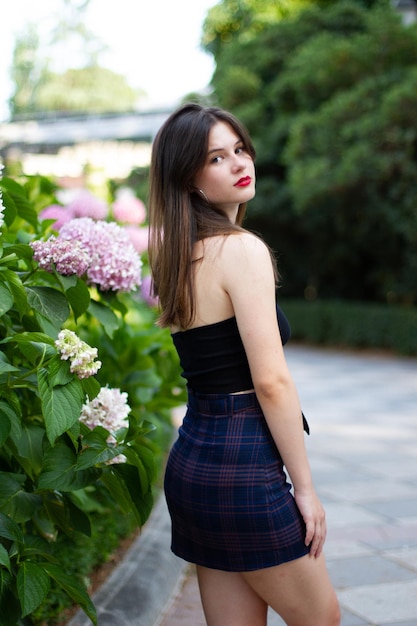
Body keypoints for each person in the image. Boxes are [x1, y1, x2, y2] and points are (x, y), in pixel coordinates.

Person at [148, 103, 340, 626]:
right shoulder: (242, 250)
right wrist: (305, 489)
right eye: (216, 157)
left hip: (195, 466)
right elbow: (271, 382)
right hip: (244, 467)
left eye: (239, 148)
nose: (238, 162)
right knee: (322, 619)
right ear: (189, 178)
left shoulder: (177, 257)